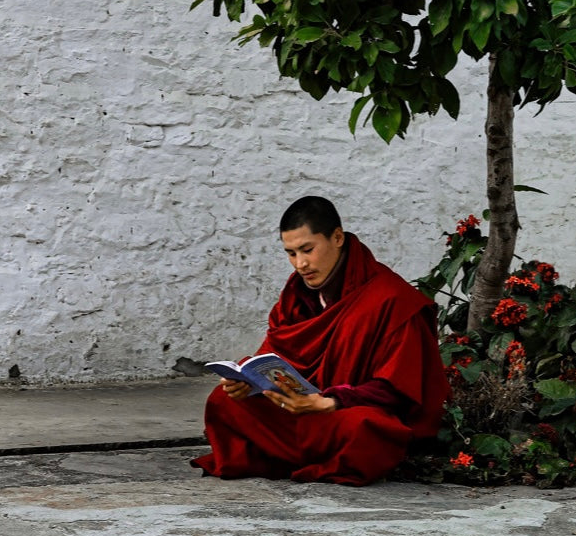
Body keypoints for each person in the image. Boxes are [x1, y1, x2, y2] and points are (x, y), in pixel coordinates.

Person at [192, 196, 448, 484]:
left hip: (341, 413)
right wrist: (245, 381)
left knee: (368, 428)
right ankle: (306, 455)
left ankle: (283, 454)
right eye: (290, 253)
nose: (300, 264)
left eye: (307, 250)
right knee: (222, 401)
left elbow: (399, 390)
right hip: (302, 412)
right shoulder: (297, 295)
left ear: (337, 237)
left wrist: (331, 401)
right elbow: (274, 356)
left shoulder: (392, 299)